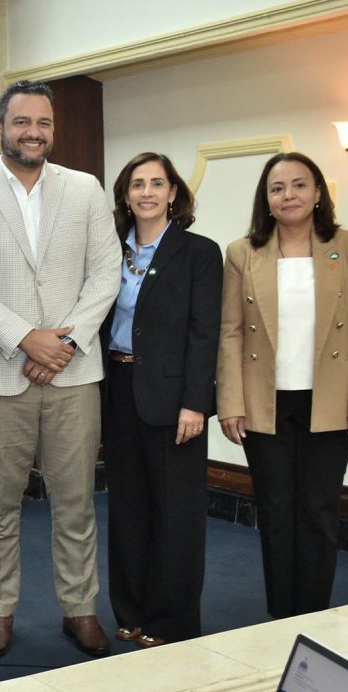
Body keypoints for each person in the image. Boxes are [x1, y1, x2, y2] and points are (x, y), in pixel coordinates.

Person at [0, 80, 119, 659]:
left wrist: (64, 344)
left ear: (52, 130)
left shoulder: (85, 190)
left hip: (72, 373)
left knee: (76, 503)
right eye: (21, 122)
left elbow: (105, 272)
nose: (33, 132)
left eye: (43, 122)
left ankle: (81, 609)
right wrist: (26, 340)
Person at [216, 151, 348, 619]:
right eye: (277, 188)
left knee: (320, 513)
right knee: (278, 513)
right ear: (266, 199)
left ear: (319, 192)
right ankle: (281, 619)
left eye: (299, 185)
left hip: (331, 403)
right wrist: (230, 403)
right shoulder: (243, 252)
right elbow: (229, 331)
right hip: (265, 404)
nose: (289, 196)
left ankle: (314, 614)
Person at [101, 153, 222, 648]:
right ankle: (130, 612)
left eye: (157, 183)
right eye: (136, 184)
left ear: (174, 192)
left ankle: (170, 622)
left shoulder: (198, 252)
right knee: (127, 507)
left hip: (175, 400)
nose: (146, 192)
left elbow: (204, 333)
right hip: (118, 390)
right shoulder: (109, 251)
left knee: (176, 513)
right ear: (125, 196)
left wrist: (196, 402)